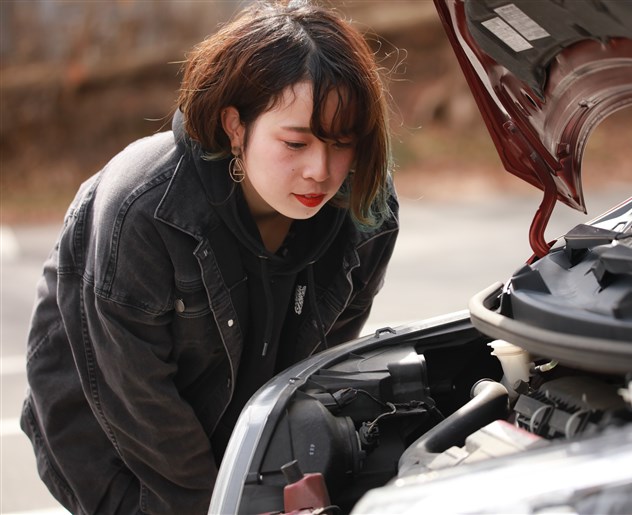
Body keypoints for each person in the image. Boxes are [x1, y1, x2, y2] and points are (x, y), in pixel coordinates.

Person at [20, 1, 399, 513]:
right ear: (234, 126)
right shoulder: (145, 209)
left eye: (342, 143)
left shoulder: (365, 211)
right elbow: (137, 401)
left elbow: (323, 362)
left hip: (245, 444)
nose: (320, 169)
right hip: (113, 443)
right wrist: (219, 505)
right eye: (295, 142)